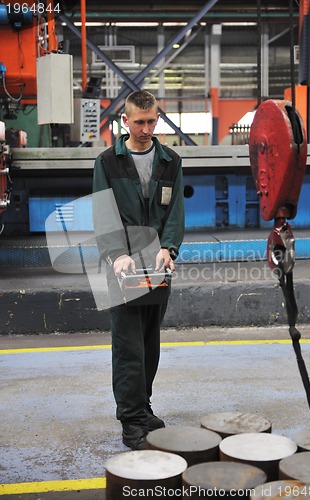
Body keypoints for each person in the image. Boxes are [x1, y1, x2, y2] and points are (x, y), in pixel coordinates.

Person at [92, 90, 185, 450]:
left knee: (149, 341)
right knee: (128, 345)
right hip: (122, 266)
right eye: (140, 122)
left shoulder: (170, 161)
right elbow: (103, 213)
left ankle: (142, 407)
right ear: (125, 121)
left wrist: (169, 247)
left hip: (157, 263)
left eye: (152, 121)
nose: (146, 129)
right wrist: (116, 255)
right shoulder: (108, 162)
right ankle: (130, 420)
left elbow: (175, 211)